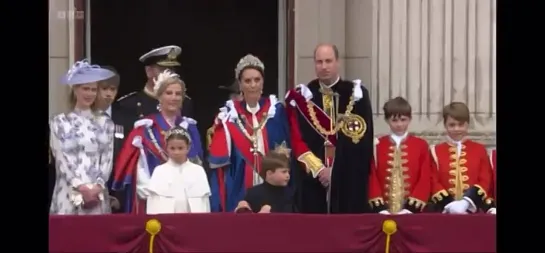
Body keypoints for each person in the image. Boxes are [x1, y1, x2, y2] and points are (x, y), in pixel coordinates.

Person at [208, 54, 311, 212]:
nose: (252, 85)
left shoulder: (276, 111)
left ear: (263, 82)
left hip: (273, 190)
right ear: (240, 85)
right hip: (240, 185)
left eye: (257, 80)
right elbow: (220, 163)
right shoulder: (229, 115)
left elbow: (286, 151)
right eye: (247, 81)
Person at [284, 43, 375, 214]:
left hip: (347, 181)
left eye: (328, 61)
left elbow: (362, 141)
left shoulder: (356, 94)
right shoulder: (303, 96)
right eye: (319, 62)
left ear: (337, 62)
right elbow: (297, 140)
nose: (324, 66)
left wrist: (336, 170)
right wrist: (319, 170)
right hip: (313, 181)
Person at [112, 69, 203, 214]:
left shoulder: (190, 128)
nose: (174, 97)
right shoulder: (144, 129)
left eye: (178, 94)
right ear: (159, 96)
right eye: (168, 93)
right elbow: (140, 171)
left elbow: (197, 165)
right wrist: (156, 195)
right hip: (155, 200)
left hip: (185, 201)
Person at [49, 60, 116, 215]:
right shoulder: (59, 121)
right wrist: (79, 186)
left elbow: (107, 157)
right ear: (75, 89)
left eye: (93, 90)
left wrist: (98, 185)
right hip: (68, 191)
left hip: (97, 192)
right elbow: (60, 158)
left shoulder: (105, 122)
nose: (90, 94)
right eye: (85, 89)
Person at [368, 97, 432, 215]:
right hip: (383, 210)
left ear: (410, 119)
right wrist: (379, 206)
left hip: (412, 211)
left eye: (403, 120)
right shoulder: (377, 145)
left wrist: (411, 207)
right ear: (387, 120)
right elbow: (372, 176)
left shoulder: (421, 145)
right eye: (394, 120)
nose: (399, 124)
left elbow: (425, 176)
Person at [429, 102, 493, 214]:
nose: (456, 129)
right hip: (444, 211)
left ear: (467, 124)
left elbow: (485, 180)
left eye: (461, 124)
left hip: (473, 210)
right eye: (452, 125)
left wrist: (467, 202)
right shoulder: (436, 151)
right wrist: (448, 204)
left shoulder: (479, 150)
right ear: (445, 125)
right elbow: (433, 180)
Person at [115, 45, 194, 136]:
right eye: (163, 69)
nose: (169, 74)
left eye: (172, 70)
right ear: (149, 71)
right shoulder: (128, 104)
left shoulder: (184, 102)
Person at [146, 127, 211, 214]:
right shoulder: (159, 171)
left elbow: (204, 203)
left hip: (193, 222)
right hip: (166, 223)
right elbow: (152, 203)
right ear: (166, 148)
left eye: (180, 148)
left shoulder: (198, 171)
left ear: (188, 147)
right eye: (172, 148)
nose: (176, 152)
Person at [234, 145, 296, 213]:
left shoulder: (290, 194)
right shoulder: (254, 194)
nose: (288, 175)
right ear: (269, 173)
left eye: (288, 172)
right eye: (284, 172)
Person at [95, 66, 123, 212]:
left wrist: (117, 195)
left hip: (117, 194)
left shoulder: (124, 118)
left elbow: (126, 159)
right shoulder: (84, 118)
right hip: (87, 192)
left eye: (113, 90)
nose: (108, 94)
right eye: (104, 89)